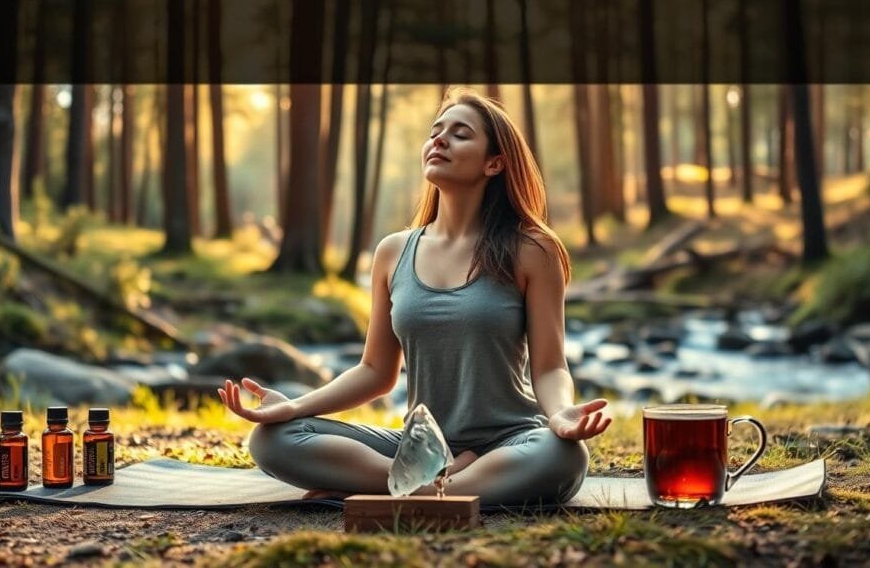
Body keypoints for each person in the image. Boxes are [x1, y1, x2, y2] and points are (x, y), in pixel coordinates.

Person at [218, 87, 612, 507]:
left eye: (460, 134)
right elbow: (374, 371)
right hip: (421, 446)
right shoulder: (393, 251)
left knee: (561, 455)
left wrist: (559, 414)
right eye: (435, 131)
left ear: (494, 163)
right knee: (273, 439)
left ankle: (400, 488)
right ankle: (438, 484)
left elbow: (550, 367)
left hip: (513, 440)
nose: (439, 140)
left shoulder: (532, 249)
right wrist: (294, 407)